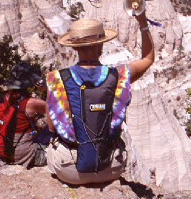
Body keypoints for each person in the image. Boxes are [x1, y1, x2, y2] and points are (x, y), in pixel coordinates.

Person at [45, 12, 154, 184]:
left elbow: (51, 127)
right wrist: (143, 23)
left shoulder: (55, 79)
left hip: (69, 170)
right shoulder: (120, 75)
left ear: (74, 47)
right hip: (110, 167)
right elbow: (148, 58)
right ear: (101, 46)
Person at [0, 62, 50, 168]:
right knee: (58, 153)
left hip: (5, 148)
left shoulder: (7, 97)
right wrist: (45, 88)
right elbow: (55, 109)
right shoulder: (31, 103)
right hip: (23, 153)